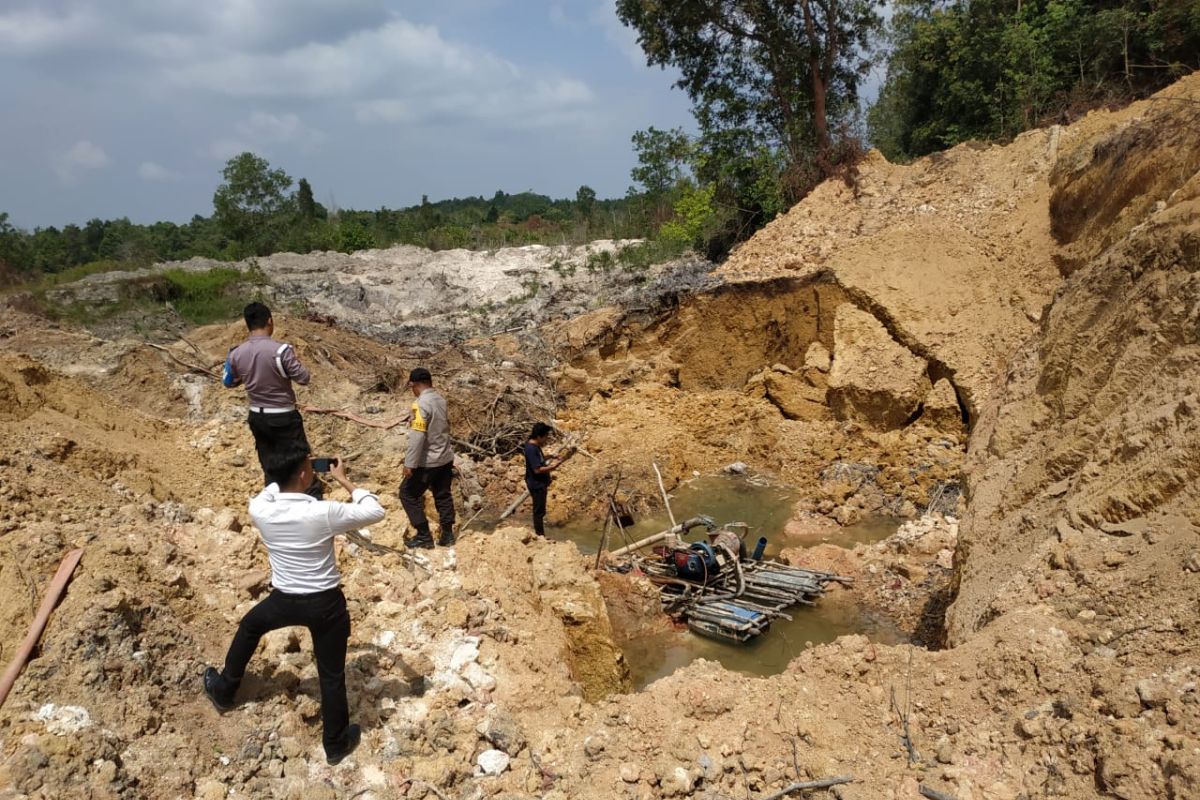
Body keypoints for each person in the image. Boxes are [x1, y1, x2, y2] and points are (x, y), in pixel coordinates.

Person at [202, 443, 385, 765]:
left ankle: (224, 691)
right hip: (326, 604)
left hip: (284, 600)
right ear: (305, 473)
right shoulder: (322, 511)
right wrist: (343, 479)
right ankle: (335, 743)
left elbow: (270, 490)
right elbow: (375, 511)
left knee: (250, 626)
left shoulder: (260, 509)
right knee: (330, 674)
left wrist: (292, 469)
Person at [223, 302, 322, 497]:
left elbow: (229, 382)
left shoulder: (236, 353)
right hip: (284, 416)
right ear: (270, 321)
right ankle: (310, 502)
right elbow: (303, 378)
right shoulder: (281, 350)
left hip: (257, 417)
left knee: (270, 464)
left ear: (247, 324)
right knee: (300, 463)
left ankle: (274, 503)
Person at [399, 367, 456, 549]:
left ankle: (424, 536)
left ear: (413, 385)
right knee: (443, 495)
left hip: (428, 461)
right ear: (430, 382)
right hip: (445, 458)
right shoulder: (441, 399)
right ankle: (447, 535)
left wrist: (410, 463)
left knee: (407, 493)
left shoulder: (420, 404)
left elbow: (418, 436)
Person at [522, 422, 563, 537]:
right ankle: (540, 536)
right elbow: (537, 469)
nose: (546, 439)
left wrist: (551, 456)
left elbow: (538, 459)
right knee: (539, 512)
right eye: (545, 437)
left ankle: (540, 535)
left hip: (539, 483)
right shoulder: (531, 448)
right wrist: (554, 467)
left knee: (540, 510)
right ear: (539, 436)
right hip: (536, 484)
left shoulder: (535, 446)